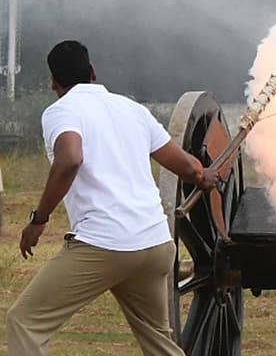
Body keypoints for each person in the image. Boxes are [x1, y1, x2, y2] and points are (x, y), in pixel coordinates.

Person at [7, 40, 216, 356]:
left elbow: (70, 159)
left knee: (24, 322)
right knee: (161, 345)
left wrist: (39, 220)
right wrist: (204, 176)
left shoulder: (61, 111)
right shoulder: (132, 109)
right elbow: (187, 167)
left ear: (53, 81)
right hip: (155, 246)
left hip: (105, 245)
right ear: (93, 72)